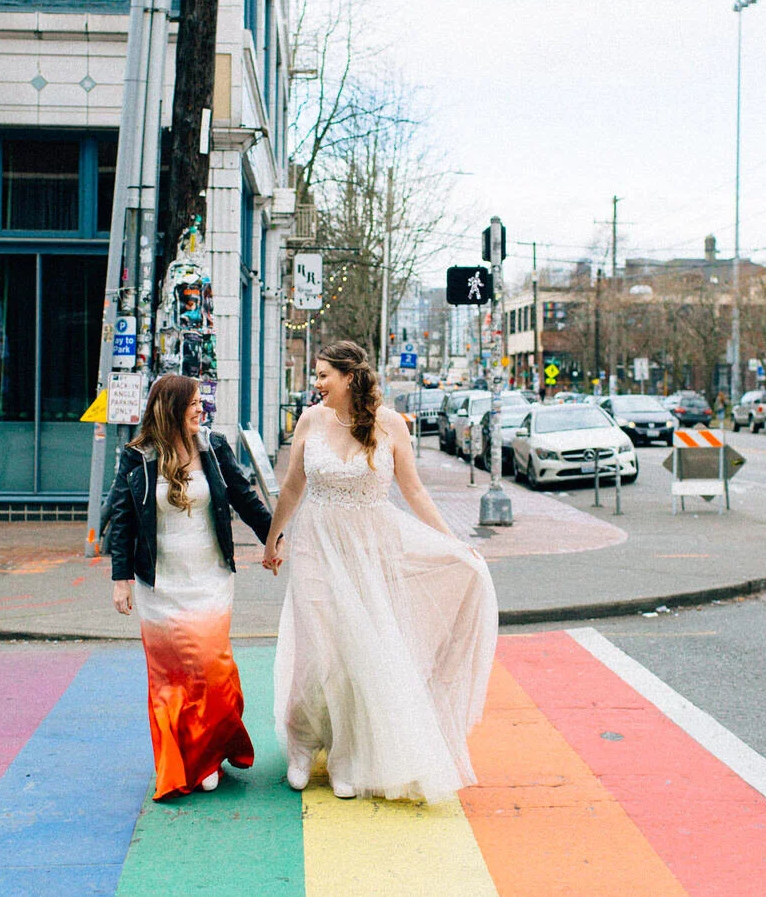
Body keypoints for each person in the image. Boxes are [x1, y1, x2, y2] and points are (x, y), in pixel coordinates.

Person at [262, 340, 499, 803]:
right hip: (316, 544)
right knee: (318, 652)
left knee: (353, 655)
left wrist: (453, 543)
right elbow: (292, 488)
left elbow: (414, 491)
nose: (317, 384)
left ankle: (347, 756)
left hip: (369, 549)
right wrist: (273, 540)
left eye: (323, 375)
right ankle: (302, 743)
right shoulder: (310, 420)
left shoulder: (390, 425)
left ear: (349, 378)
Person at [107, 374, 273, 800]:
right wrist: (121, 579)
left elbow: (244, 497)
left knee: (213, 671)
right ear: (171, 408)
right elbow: (122, 520)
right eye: (195, 403)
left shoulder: (214, 450)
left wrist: (274, 537)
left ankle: (211, 750)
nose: (203, 409)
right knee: (172, 679)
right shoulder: (138, 457)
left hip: (210, 578)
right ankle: (187, 761)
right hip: (159, 584)